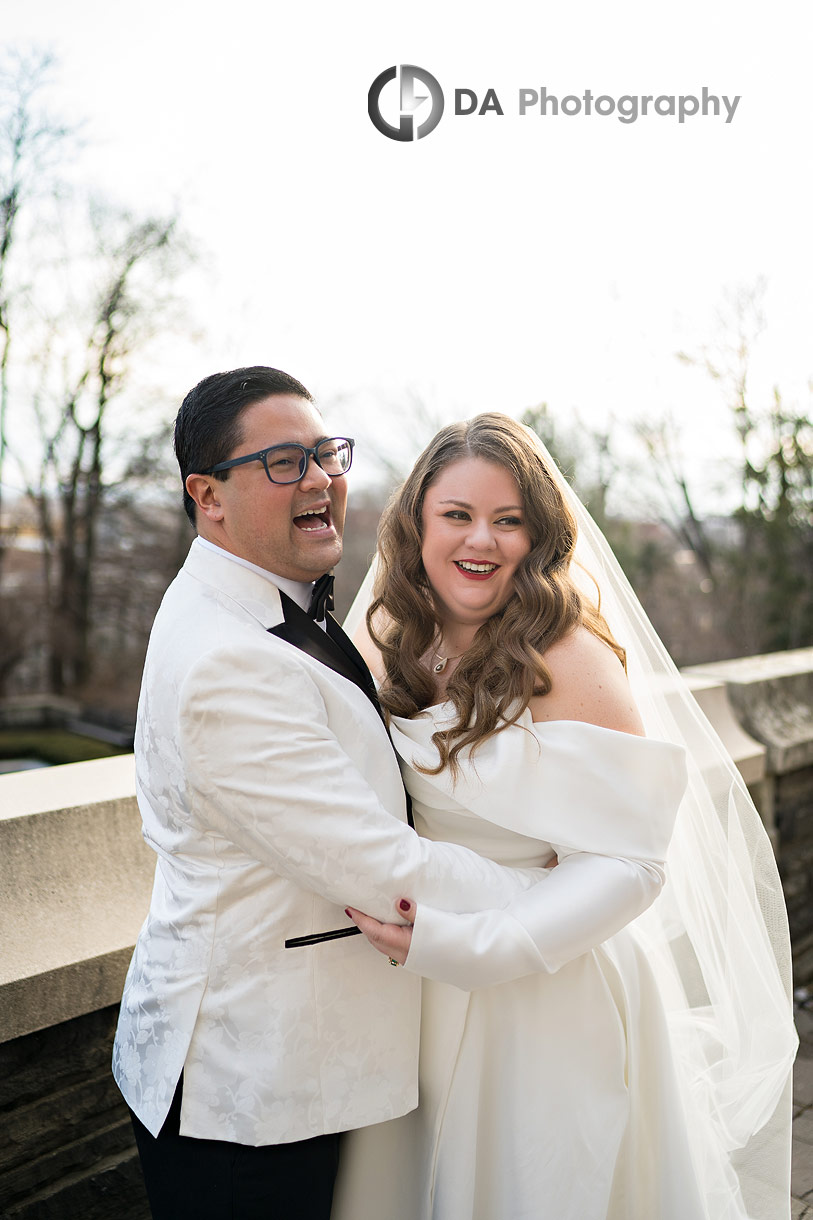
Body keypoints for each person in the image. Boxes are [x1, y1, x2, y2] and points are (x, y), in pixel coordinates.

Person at [331, 413, 797, 1220]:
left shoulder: (566, 657)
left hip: (544, 985)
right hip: (409, 996)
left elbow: (631, 863)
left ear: (537, 536)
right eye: (457, 515)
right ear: (415, 525)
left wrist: (470, 946)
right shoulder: (384, 639)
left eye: (508, 520)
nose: (482, 540)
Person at [112, 369, 550, 1220]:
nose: (318, 479)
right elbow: (378, 865)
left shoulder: (263, 606)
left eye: (323, 453)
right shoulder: (225, 662)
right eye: (282, 461)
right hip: (249, 1091)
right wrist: (544, 901)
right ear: (208, 495)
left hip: (298, 1064)